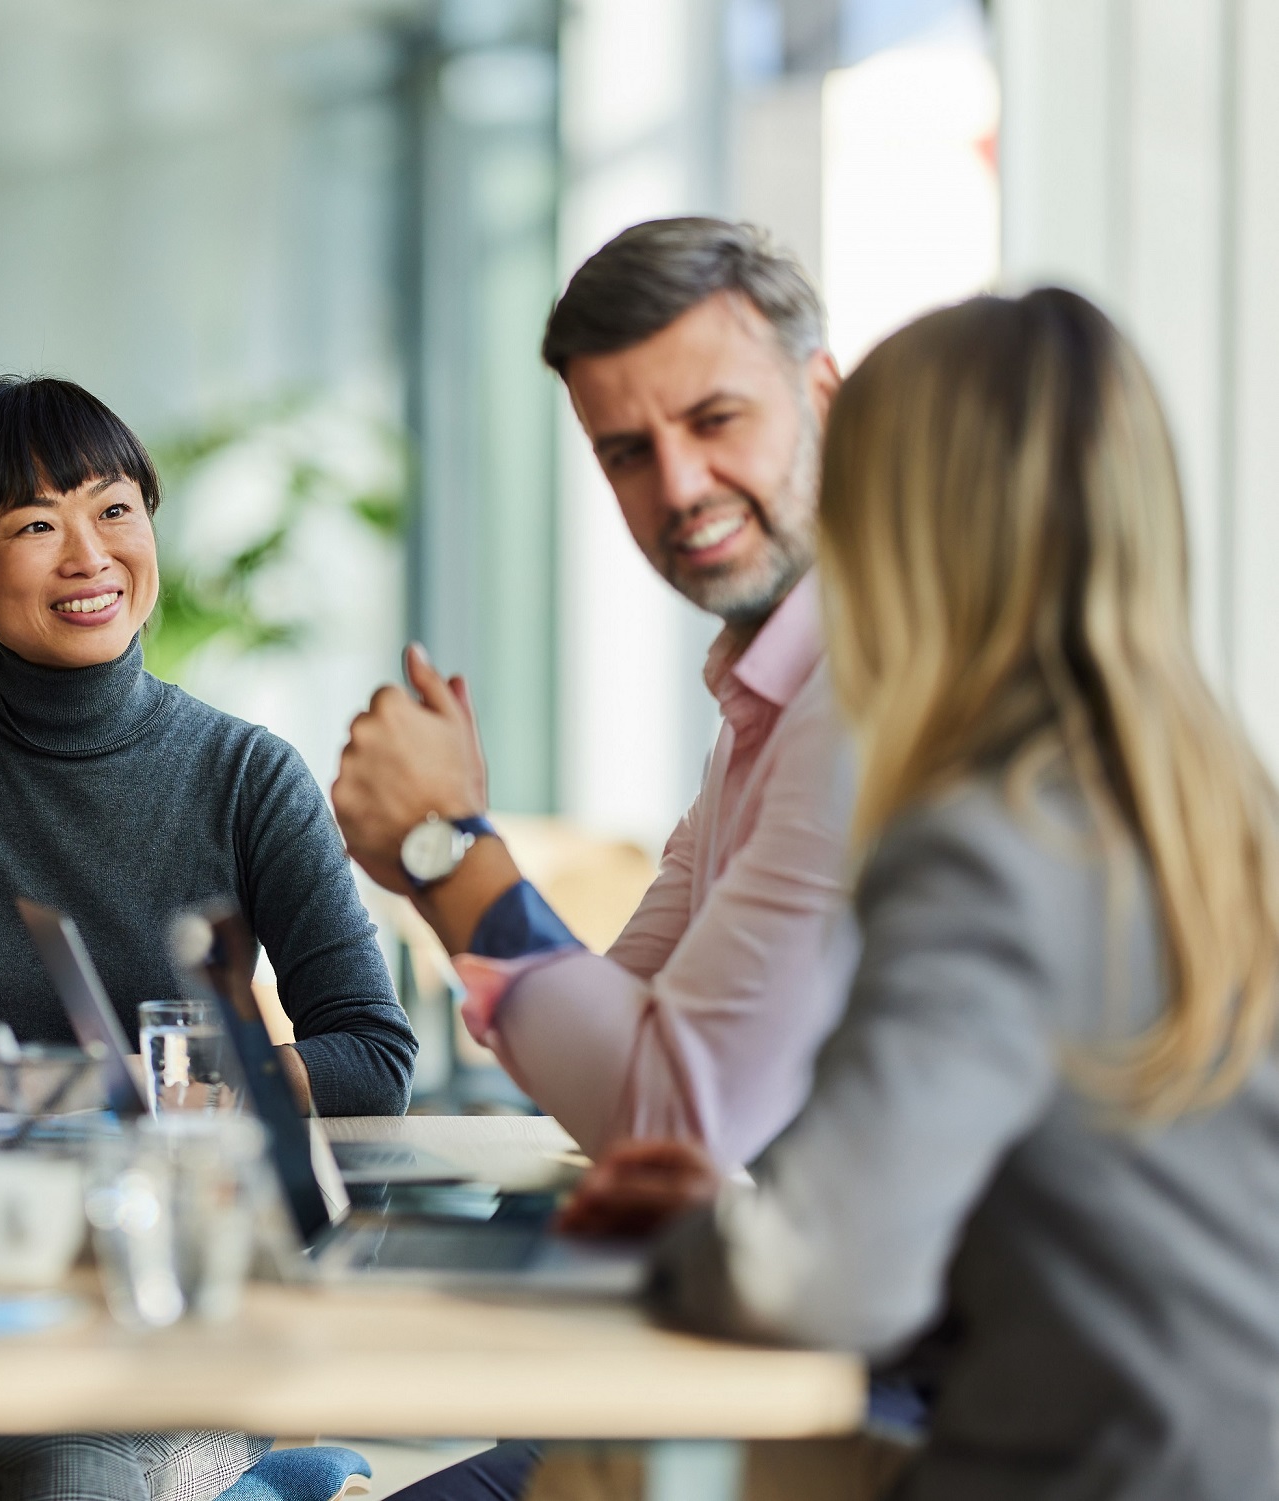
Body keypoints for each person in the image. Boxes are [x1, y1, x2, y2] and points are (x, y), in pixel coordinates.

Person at [567, 288, 1279, 1500]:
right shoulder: (1219, 811)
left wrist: (701, 1246)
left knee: (606, 1474)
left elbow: (826, 1284)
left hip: (1081, 1473)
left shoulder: (979, 842)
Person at [335, 218, 856, 1501]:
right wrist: (450, 853)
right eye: (627, 452)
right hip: (759, 1349)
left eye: (715, 419)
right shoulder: (759, 711)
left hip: (888, 1400)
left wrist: (444, 849)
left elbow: (669, 1104)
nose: (676, 485)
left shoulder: (869, 696)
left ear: (825, 399)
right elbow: (606, 1035)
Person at [0, 374, 414, 1121]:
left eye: (114, 510)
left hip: (184, 1209)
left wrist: (89, 1085)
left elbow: (371, 1058)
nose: (88, 557)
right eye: (36, 526)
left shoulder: (248, 774)